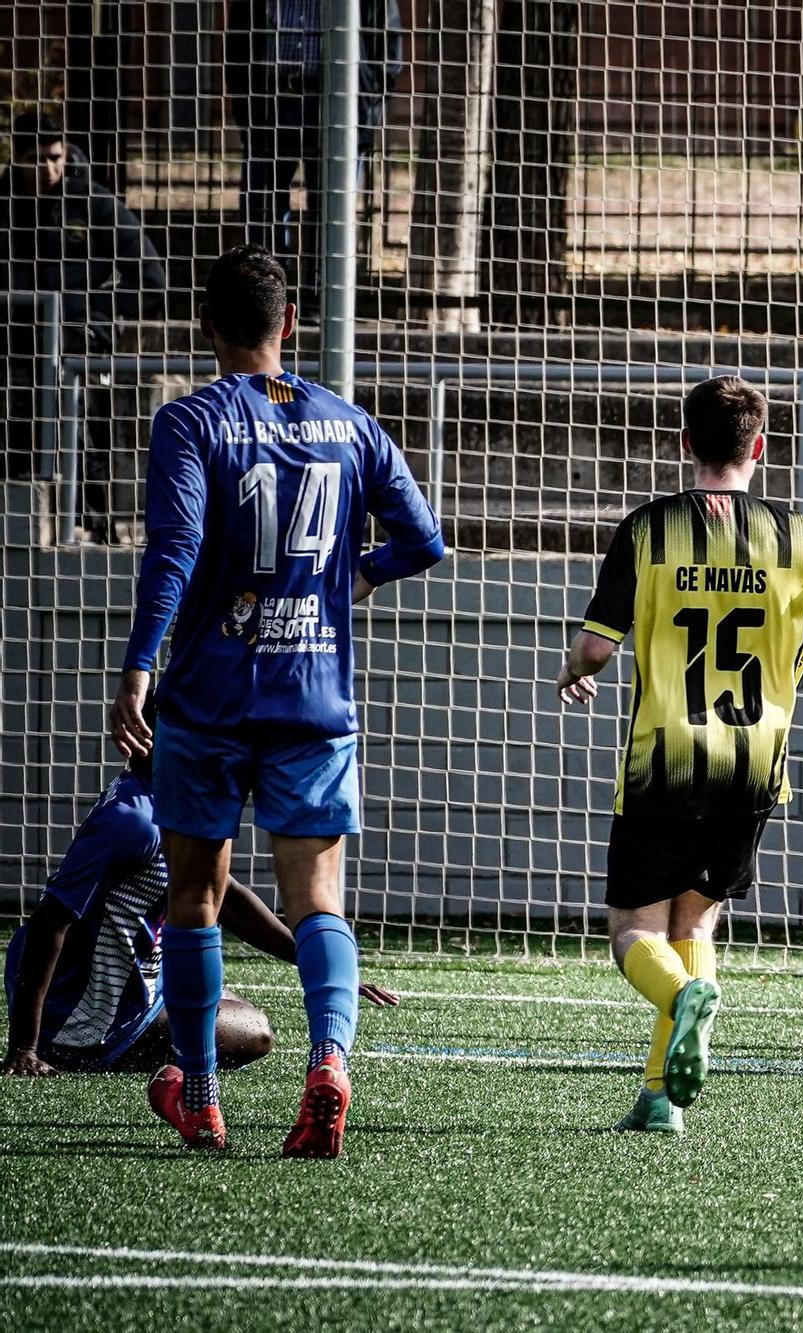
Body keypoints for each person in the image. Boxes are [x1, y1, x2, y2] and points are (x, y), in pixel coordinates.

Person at [109, 243, 445, 1155]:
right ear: (289, 325)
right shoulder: (350, 423)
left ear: (206, 327)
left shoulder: (190, 423)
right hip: (314, 696)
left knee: (193, 897)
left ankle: (203, 1096)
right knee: (318, 901)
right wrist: (353, 578)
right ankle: (329, 1063)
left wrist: (140, 663)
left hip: (210, 697)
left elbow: (172, 552)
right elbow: (425, 540)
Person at [555, 375, 803, 1135]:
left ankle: (676, 1000)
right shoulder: (802, 535)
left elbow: (597, 646)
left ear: (685, 442)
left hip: (665, 760)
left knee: (635, 928)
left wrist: (574, 668)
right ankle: (662, 1098)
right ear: (761, 448)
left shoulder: (647, 528)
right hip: (754, 768)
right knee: (696, 926)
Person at [4, 703, 398, 1079]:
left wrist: (321, 965)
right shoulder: (131, 822)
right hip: (86, 1022)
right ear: (151, 739)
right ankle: (151, 1067)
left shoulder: (163, 801)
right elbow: (48, 921)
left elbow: (226, 897)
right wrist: (25, 1047)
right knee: (256, 1033)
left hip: (127, 992)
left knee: (229, 1004)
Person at [5, 113, 166, 538]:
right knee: (16, 430)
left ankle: (95, 527)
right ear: (16, 158)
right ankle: (17, 528)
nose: (47, 168)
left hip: (77, 339)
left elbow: (150, 275)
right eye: (35, 159)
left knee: (84, 428)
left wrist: (94, 312)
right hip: (14, 338)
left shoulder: (92, 202)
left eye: (55, 157)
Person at [225, 0, 407, 315]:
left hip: (337, 105)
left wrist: (367, 94)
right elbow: (239, 41)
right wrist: (245, 101)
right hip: (271, 100)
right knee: (261, 206)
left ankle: (320, 303)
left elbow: (387, 43)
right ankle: (266, 303)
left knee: (332, 212)